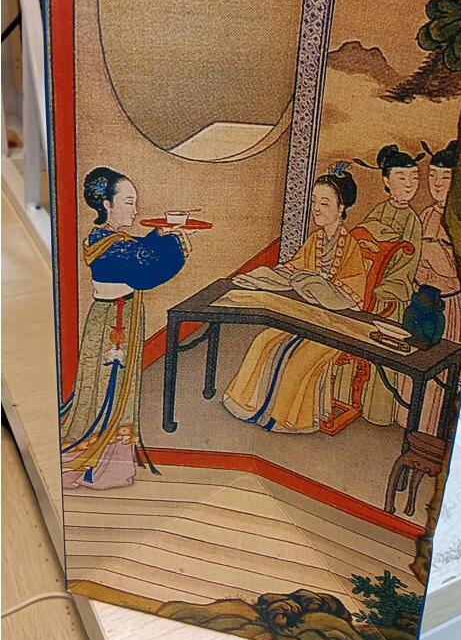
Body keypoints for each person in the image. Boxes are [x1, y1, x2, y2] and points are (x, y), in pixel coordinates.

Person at [61, 167, 192, 489]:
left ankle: (110, 466)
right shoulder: (109, 243)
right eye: (128, 202)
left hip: (116, 316)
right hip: (114, 322)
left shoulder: (106, 238)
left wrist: (160, 235)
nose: (135, 210)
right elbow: (143, 268)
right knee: (110, 388)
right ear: (107, 204)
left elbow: (138, 249)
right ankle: (96, 467)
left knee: (114, 387)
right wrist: (175, 244)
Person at [222, 162, 366, 434]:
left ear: (341, 208)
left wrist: (318, 287)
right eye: (314, 202)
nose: (316, 209)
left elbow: (352, 296)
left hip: (334, 325)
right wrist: (260, 277)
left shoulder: (351, 248)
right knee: (264, 342)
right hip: (304, 316)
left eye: (325, 203)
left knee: (298, 361)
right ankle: (247, 405)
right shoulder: (315, 241)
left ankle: (286, 418)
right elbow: (291, 270)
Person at [353, 145, 423, 426]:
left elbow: (408, 263)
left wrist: (385, 287)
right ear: (386, 180)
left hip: (390, 298)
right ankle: (351, 402)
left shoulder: (413, 221)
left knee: (384, 352)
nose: (409, 184)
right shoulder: (378, 211)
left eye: (414, 178)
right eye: (401, 178)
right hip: (365, 292)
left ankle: (377, 413)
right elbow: (358, 246)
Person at [417, 141, 461, 435]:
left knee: (437, 369)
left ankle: (429, 430)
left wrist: (435, 256)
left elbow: (457, 271)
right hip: (421, 298)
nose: (436, 184)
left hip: (446, 304)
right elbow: (416, 259)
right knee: (414, 362)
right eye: (432, 176)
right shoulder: (426, 215)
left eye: (444, 178)